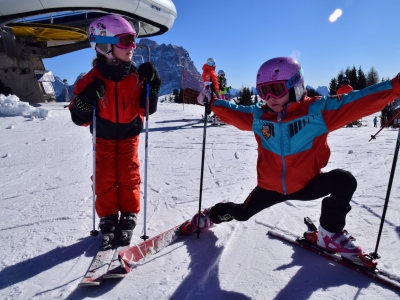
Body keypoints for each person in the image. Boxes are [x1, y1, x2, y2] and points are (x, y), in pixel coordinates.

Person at [194, 57, 400, 265]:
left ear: (296, 86)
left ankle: (328, 235)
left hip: (306, 184)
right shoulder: (259, 117)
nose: (270, 98)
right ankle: (212, 215)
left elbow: (358, 101)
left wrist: (395, 87)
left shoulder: (318, 111)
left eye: (276, 89)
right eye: (264, 92)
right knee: (241, 214)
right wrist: (212, 102)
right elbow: (233, 111)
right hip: (270, 188)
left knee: (344, 180)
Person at [69, 15, 161, 250]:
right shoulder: (90, 80)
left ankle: (129, 211)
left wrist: (153, 85)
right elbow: (78, 117)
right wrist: (87, 98)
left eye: (133, 41)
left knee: (129, 174)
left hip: (130, 135)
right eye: (126, 40)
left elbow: (146, 108)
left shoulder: (136, 76)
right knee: (105, 176)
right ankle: (108, 215)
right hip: (104, 137)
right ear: (104, 46)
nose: (133, 46)